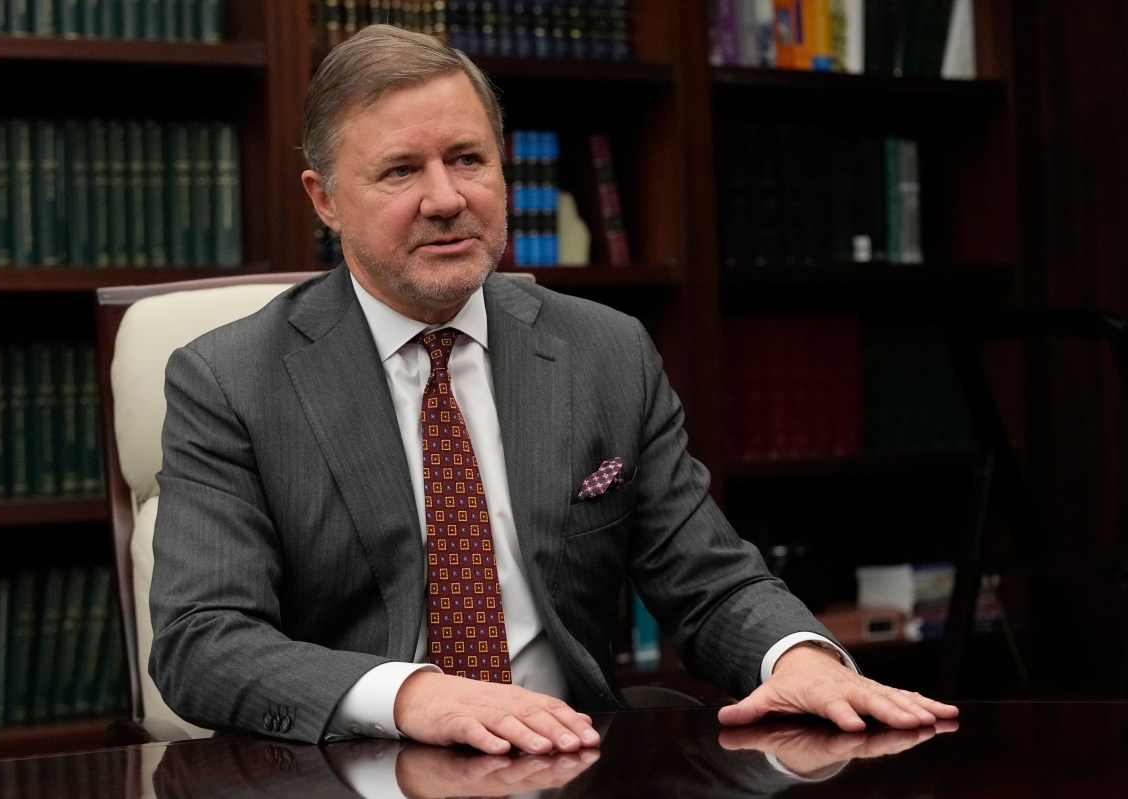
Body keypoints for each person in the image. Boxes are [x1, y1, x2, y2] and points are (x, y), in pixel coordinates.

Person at [148, 23, 957, 756]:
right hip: (356, 766)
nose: (446, 198)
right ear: (324, 199)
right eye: (400, 170)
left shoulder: (605, 350)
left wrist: (800, 656)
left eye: (468, 159)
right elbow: (203, 643)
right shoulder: (231, 378)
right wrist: (413, 694)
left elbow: (711, 580)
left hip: (569, 762)